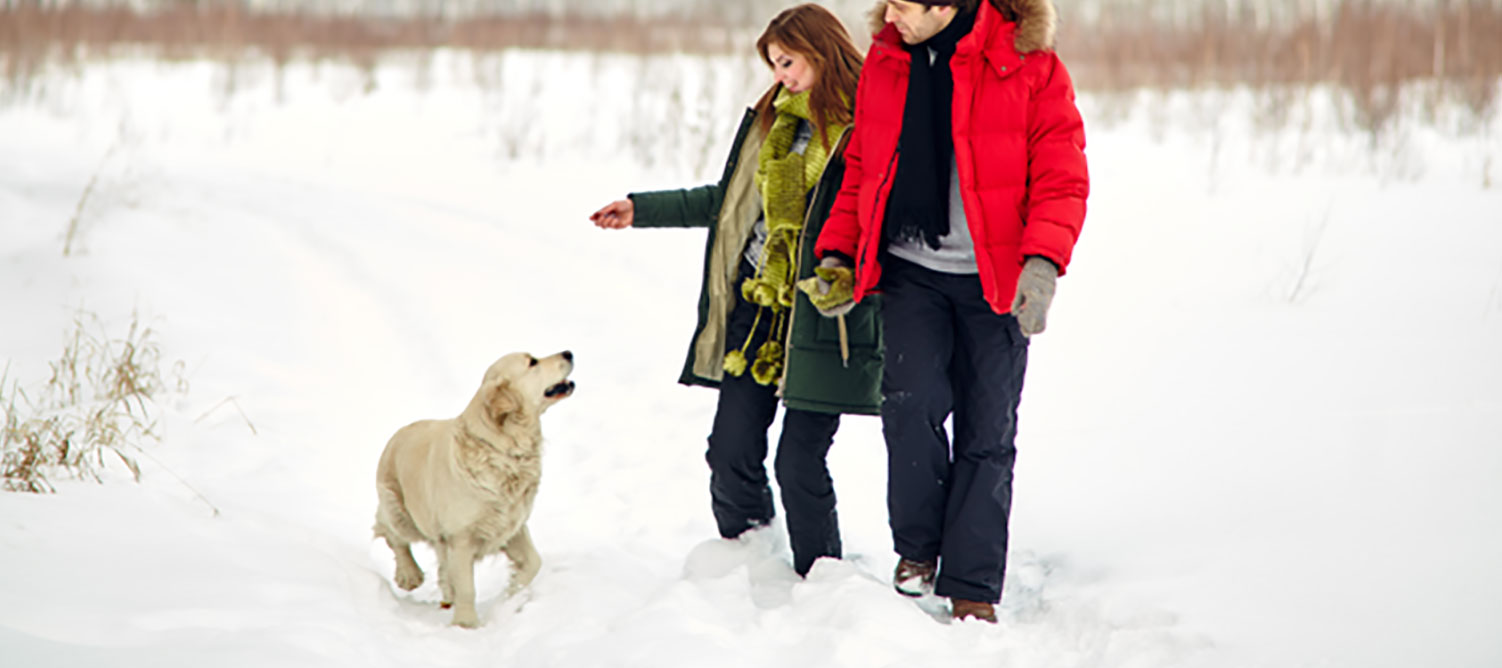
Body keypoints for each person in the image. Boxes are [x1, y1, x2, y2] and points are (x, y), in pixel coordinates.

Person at [805, 0, 1088, 622]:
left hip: (997, 280)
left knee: (988, 432)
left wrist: (1042, 263)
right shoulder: (888, 62)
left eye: (902, 5)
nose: (889, 16)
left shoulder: (1030, 64)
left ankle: (973, 585)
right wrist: (839, 252)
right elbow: (863, 166)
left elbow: (1061, 173)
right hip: (912, 271)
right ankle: (919, 550)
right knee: (911, 408)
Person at [589, 4, 881, 578]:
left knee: (799, 463)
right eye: (774, 65)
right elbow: (728, 203)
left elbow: (879, 219)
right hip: (758, 308)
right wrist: (641, 209)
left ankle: (821, 579)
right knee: (730, 449)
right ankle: (749, 552)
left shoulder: (868, 124)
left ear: (821, 50)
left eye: (788, 62)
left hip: (821, 318)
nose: (781, 76)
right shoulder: (775, 122)